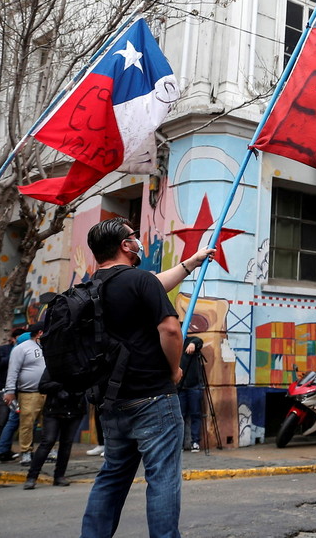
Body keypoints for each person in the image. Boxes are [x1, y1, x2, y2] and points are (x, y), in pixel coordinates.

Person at [79, 218, 212, 538]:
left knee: (111, 476)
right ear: (126, 246)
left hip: (112, 401)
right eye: (134, 237)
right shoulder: (140, 281)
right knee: (163, 478)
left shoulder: (88, 288)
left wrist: (189, 264)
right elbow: (170, 329)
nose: (138, 241)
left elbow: (153, 284)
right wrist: (174, 370)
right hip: (153, 398)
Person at [23, 369, 84, 489]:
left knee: (66, 443)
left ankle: (59, 476)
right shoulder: (54, 364)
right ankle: (32, 477)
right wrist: (61, 386)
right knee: (48, 441)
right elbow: (42, 386)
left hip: (75, 408)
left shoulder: (82, 365)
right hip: (54, 409)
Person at [2, 322, 46, 466]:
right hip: (28, 393)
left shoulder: (49, 346)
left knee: (50, 423)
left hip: (48, 391)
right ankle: (26, 452)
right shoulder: (21, 349)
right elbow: (13, 371)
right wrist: (10, 391)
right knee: (26, 424)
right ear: (40, 333)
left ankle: (50, 451)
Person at [178, 336, 205, 453]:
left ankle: (195, 442)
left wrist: (193, 344)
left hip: (194, 385)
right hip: (180, 386)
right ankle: (180, 444)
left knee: (195, 414)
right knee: (180, 416)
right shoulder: (173, 344)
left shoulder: (189, 341)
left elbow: (199, 341)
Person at [0, 331, 16, 461]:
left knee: (11, 421)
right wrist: (13, 356)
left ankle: (5, 450)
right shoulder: (4, 350)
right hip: (3, 390)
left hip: (16, 391)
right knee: (3, 420)